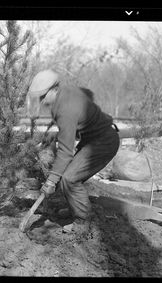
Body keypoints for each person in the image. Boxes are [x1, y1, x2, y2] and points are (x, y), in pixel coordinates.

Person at [28, 69, 120, 231]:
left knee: (70, 178)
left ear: (54, 89)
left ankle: (82, 222)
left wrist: (51, 180)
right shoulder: (68, 91)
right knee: (67, 176)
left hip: (104, 142)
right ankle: (75, 209)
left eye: (43, 96)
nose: (41, 102)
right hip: (93, 138)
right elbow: (88, 94)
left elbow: (65, 151)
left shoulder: (65, 110)